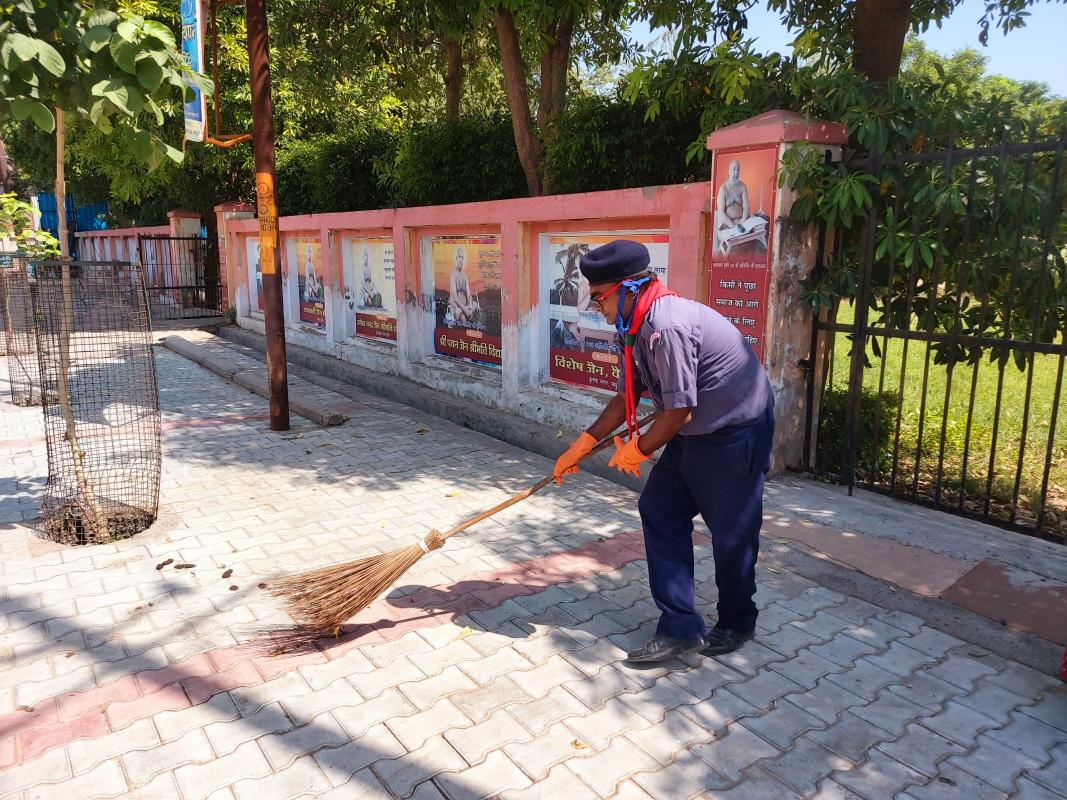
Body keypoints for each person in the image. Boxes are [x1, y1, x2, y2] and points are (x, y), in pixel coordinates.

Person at [554, 240, 775, 663]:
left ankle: (737, 620)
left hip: (734, 431)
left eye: (600, 298)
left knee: (731, 534)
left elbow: (679, 411)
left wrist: (638, 449)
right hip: (694, 429)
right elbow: (628, 395)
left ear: (630, 286)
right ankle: (679, 627)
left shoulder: (664, 325)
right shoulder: (633, 325)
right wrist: (581, 445)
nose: (596, 308)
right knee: (659, 510)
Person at [714, 159, 751, 254]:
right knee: (734, 242)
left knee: (752, 235)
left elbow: (746, 206)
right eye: (734, 169)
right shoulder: (723, 189)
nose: (736, 172)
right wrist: (732, 226)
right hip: (726, 225)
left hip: (741, 222)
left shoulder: (742, 186)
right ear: (729, 171)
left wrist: (742, 221)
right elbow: (721, 212)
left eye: (738, 169)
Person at [447, 246, 480, 326]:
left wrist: (470, 305)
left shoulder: (464, 276)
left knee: (475, 304)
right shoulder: (453, 274)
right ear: (456, 258)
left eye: (462, 257)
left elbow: (468, 295)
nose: (461, 259)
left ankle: (469, 312)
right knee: (463, 318)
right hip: (457, 307)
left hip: (465, 306)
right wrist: (465, 309)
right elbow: (454, 296)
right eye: (459, 256)